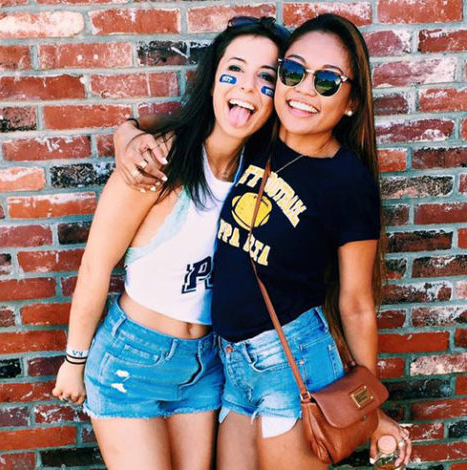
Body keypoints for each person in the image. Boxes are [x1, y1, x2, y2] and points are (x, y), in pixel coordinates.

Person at [116, 13, 413, 470]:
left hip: (293, 364)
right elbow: (192, 120)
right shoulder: (257, 136)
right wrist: (129, 133)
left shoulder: (347, 182)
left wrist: (365, 403)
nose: (304, 89)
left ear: (351, 101)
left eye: (327, 81)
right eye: (292, 72)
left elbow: (355, 302)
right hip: (233, 364)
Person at [51, 17, 288, 470]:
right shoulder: (158, 160)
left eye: (266, 77)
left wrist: (127, 128)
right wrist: (73, 360)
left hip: (205, 365)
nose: (246, 86)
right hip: (131, 361)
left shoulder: (261, 170)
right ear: (213, 79)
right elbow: (96, 265)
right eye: (234, 70)